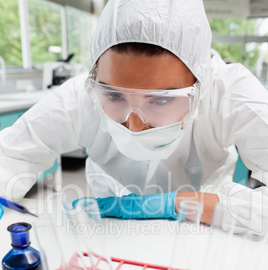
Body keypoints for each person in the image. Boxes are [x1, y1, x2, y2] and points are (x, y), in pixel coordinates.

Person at [0, 0, 268, 226]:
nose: (134, 126)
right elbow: (10, 156)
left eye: (161, 101)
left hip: (207, 227)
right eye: (115, 95)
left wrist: (178, 204)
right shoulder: (83, 96)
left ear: (201, 85)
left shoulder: (230, 93)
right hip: (108, 224)